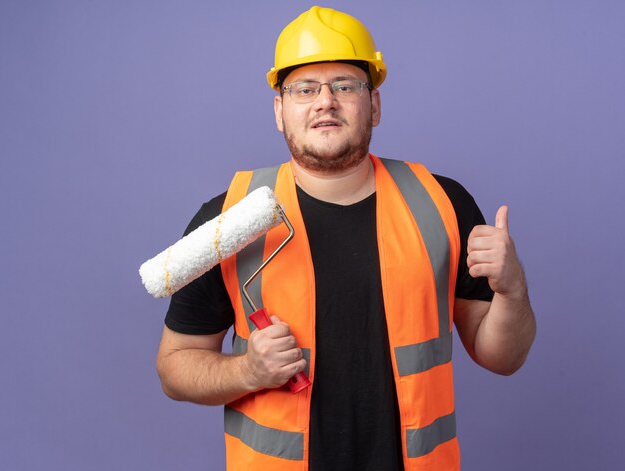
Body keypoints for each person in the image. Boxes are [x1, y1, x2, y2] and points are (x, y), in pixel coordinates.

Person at [155, 6, 536, 471]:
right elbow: (175, 368)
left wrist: (513, 290)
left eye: (345, 85)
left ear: (374, 104)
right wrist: (248, 370)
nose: (325, 101)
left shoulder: (441, 203)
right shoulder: (226, 219)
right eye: (304, 89)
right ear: (280, 110)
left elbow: (502, 357)